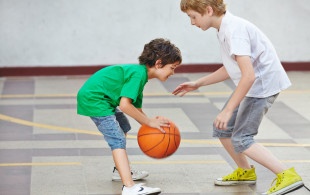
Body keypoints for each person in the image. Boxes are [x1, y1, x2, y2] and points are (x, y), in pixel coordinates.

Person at [172, 0, 303, 195]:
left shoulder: (235, 31)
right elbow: (231, 68)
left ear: (208, 10)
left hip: (261, 87)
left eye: (193, 17)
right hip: (253, 84)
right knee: (222, 129)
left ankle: (287, 175)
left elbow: (248, 75)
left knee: (242, 138)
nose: (192, 22)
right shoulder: (224, 29)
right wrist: (198, 83)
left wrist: (227, 110)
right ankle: (245, 172)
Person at [77, 38, 182, 195]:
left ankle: (119, 171)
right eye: (172, 68)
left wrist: (152, 125)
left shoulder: (140, 75)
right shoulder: (138, 75)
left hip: (102, 98)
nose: (173, 72)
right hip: (95, 99)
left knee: (124, 127)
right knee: (117, 139)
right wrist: (148, 122)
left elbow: (136, 109)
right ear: (159, 63)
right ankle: (129, 187)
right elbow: (125, 106)